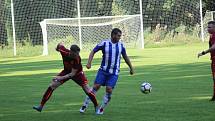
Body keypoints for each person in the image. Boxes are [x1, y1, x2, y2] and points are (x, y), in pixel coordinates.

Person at [79, 28, 134, 114]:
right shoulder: (104, 43)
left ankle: (101, 108)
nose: (120, 37)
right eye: (118, 36)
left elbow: (125, 57)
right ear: (113, 35)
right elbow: (93, 51)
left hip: (114, 73)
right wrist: (89, 63)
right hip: (103, 71)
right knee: (96, 86)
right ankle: (85, 105)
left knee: (109, 89)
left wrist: (131, 67)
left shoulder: (121, 46)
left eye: (120, 36)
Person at [33, 43, 98, 112]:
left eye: (78, 54)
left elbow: (72, 74)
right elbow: (60, 45)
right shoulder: (64, 51)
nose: (78, 55)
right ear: (71, 52)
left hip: (77, 74)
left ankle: (96, 105)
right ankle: (41, 106)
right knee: (52, 85)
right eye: (76, 54)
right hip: (66, 71)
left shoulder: (77, 59)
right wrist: (57, 48)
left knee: (87, 90)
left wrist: (60, 78)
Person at [198, 21, 215, 101]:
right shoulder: (211, 36)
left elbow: (214, 47)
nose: (208, 29)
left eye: (209, 27)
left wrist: (203, 52)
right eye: (207, 27)